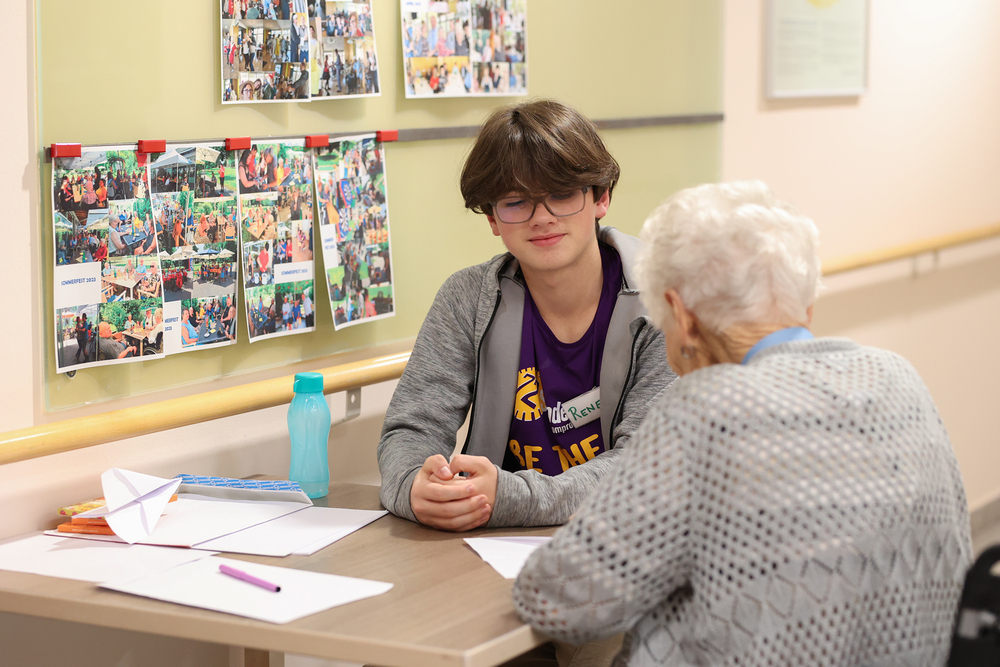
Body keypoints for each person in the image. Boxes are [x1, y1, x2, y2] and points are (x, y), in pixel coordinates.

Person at [511, 181, 974, 666]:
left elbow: (558, 602)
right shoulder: (898, 375)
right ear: (806, 304)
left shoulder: (706, 408)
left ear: (682, 317)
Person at [377, 100, 674, 537]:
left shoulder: (666, 300)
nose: (542, 218)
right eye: (517, 202)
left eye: (562, 194)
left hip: (626, 539)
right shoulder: (468, 298)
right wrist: (415, 489)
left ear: (601, 198)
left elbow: (645, 468)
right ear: (493, 218)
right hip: (494, 541)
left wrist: (509, 498)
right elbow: (412, 428)